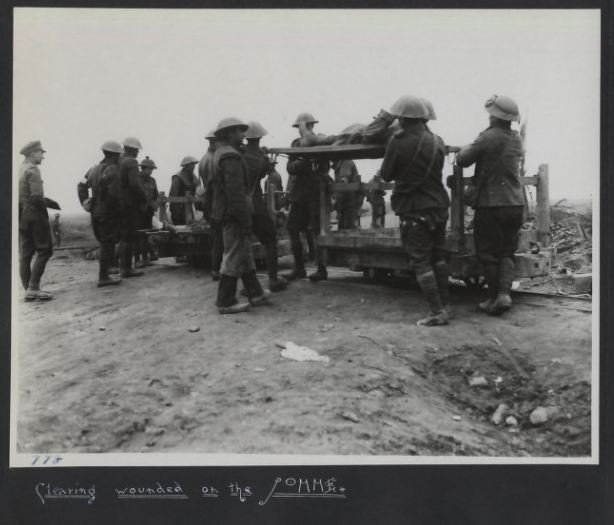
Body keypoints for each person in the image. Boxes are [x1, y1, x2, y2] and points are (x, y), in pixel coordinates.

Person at [380, 95, 451, 326]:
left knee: (421, 261)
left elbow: (387, 174)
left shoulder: (398, 141)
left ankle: (437, 312)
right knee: (438, 258)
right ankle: (444, 305)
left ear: (402, 118)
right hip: (439, 206)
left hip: (414, 208)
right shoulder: (438, 140)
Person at [456, 95, 525, 316]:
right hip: (515, 204)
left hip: (490, 204)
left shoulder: (487, 137)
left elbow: (463, 159)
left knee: (487, 253)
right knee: (507, 251)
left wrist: (465, 148)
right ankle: (504, 295)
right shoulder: (517, 140)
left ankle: (493, 298)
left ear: (494, 117)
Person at [209, 117, 270, 314]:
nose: (244, 134)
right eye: (239, 131)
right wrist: (245, 220)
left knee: (244, 254)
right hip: (233, 214)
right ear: (229, 133)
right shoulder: (230, 157)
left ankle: (255, 293)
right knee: (234, 255)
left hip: (229, 212)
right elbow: (236, 193)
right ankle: (225, 301)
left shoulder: (225, 153)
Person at [283, 112, 335, 282]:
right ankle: (299, 268)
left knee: (317, 229)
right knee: (292, 228)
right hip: (299, 193)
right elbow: (290, 167)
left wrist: (316, 166)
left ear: (313, 126)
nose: (303, 129)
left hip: (316, 192)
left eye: (307, 126)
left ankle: (321, 269)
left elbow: (326, 166)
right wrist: (300, 164)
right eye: (301, 127)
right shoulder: (296, 144)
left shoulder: (319, 141)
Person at [243, 121, 288, 292]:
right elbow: (265, 171)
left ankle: (249, 285)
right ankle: (273, 280)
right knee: (270, 240)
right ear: (260, 137)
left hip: (240, 205)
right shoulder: (261, 158)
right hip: (255, 204)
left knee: (243, 245)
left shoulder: (240, 153)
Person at [77, 140, 123, 287]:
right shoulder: (114, 170)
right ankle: (103, 277)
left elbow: (81, 185)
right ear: (115, 155)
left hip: (95, 211)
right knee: (107, 243)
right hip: (108, 211)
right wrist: (119, 210)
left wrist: (85, 202)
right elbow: (114, 195)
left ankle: (106, 273)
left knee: (104, 242)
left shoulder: (93, 169)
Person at [18, 140, 54, 301]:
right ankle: (33, 288)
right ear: (32, 153)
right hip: (35, 214)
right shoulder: (33, 169)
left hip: (22, 216)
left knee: (25, 253)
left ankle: (28, 290)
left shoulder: (20, 169)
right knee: (45, 250)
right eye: (41, 153)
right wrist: (44, 212)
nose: (43, 157)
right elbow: (37, 196)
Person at [118, 137, 147, 278]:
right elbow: (135, 184)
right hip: (130, 204)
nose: (137, 153)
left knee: (123, 237)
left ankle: (122, 267)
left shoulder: (118, 161)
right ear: (133, 150)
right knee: (129, 236)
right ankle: (126, 269)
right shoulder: (131, 162)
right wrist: (144, 197)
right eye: (136, 150)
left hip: (119, 204)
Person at [200, 129, 223, 280]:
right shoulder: (216, 158)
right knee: (221, 237)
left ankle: (214, 267)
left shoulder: (203, 159)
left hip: (209, 203)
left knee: (215, 236)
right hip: (219, 202)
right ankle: (217, 268)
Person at [135, 156, 159, 267]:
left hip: (148, 211)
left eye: (152, 170)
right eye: (149, 169)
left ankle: (145, 259)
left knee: (146, 234)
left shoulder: (152, 181)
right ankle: (137, 260)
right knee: (138, 235)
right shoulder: (136, 179)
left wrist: (155, 204)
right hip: (138, 211)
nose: (150, 172)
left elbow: (156, 195)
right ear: (143, 168)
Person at [169, 156, 200, 225]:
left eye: (194, 164)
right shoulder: (177, 177)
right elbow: (173, 196)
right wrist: (175, 212)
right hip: (178, 211)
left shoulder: (193, 177)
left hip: (189, 209)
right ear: (186, 166)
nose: (193, 166)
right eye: (191, 164)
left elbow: (199, 190)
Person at [333, 160, 360, 230]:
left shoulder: (346, 162)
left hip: (347, 199)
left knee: (347, 226)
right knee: (345, 226)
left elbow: (343, 182)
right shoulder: (343, 162)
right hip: (346, 199)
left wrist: (337, 197)